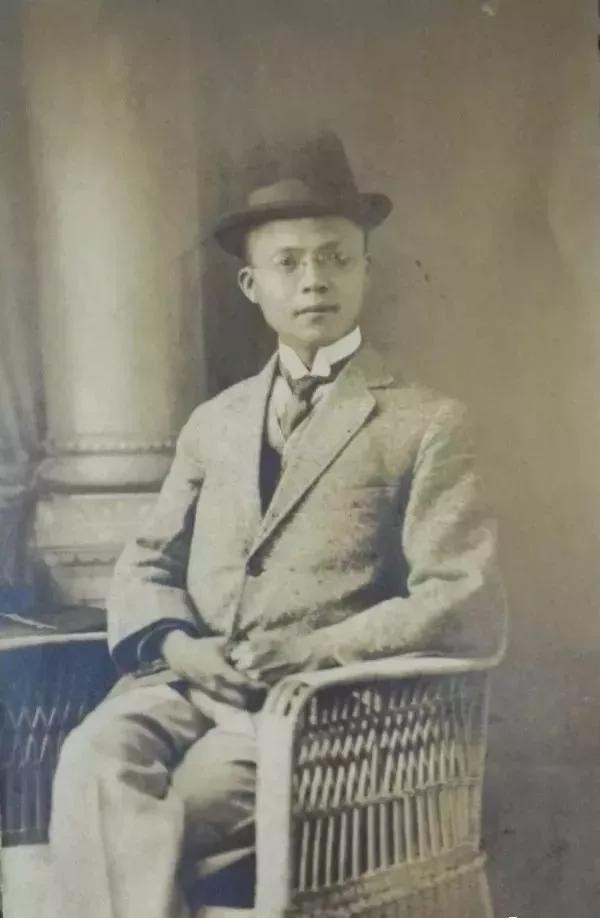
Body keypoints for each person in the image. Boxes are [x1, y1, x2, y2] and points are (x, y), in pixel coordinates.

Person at [49, 130, 506, 918]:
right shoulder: (215, 422)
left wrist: (312, 650)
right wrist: (178, 647)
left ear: (365, 270)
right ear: (250, 284)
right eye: (289, 263)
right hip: (190, 684)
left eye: (335, 258)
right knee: (93, 756)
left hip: (317, 712)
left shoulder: (426, 422)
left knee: (166, 815)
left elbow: (461, 597)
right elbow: (147, 561)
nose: (314, 280)